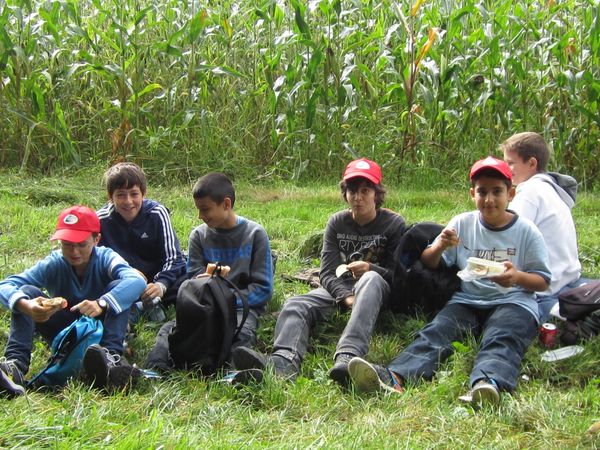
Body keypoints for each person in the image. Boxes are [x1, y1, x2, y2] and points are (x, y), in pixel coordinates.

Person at [348, 157, 551, 407]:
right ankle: (395, 376)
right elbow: (430, 262)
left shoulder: (526, 231)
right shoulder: (463, 223)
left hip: (513, 301)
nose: (489, 199)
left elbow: (543, 281)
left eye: (497, 191)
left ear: (510, 193)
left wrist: (517, 277)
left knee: (503, 335)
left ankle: (488, 383)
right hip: (468, 298)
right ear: (472, 194)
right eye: (482, 192)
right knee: (437, 331)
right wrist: (440, 246)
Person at [232, 158, 406, 386]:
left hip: (377, 290)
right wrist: (346, 297)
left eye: (365, 191)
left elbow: (398, 275)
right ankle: (284, 361)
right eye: (352, 191)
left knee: (371, 279)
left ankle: (349, 355)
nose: (358, 197)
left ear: (377, 194)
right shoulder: (337, 222)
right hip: (341, 289)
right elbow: (326, 273)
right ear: (345, 193)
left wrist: (370, 268)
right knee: (296, 303)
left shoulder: (394, 224)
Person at [0, 205, 146, 397]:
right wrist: (26, 305)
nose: (74, 251)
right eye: (67, 244)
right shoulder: (54, 263)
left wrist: (102, 303)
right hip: (66, 331)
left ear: (96, 240)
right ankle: (15, 366)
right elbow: (6, 284)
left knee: (119, 287)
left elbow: (137, 281)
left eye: (81, 244)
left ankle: (110, 357)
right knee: (26, 293)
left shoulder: (106, 257)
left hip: (102, 328)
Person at [145, 172, 274, 372]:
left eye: (205, 209)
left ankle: (234, 372)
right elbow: (193, 280)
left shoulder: (255, 234)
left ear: (226, 204)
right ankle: (155, 368)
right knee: (168, 329)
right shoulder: (198, 236)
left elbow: (263, 288)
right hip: (204, 306)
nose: (200, 216)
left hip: (241, 308)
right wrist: (209, 294)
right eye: (198, 209)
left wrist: (226, 302)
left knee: (242, 332)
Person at [501, 131, 591, 321]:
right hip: (568, 276)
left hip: (547, 284)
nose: (506, 169)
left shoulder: (529, 193)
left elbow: (507, 236)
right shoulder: (551, 188)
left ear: (532, 163)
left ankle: (558, 310)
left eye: (510, 163)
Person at [97, 162, 187, 321]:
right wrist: (128, 275)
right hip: (122, 280)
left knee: (188, 278)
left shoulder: (157, 213)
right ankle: (137, 306)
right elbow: (95, 262)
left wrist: (161, 285)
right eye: (121, 195)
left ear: (143, 194)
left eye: (134, 194)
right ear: (110, 197)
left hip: (155, 279)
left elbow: (174, 257)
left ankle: (143, 304)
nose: (128, 201)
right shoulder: (100, 220)